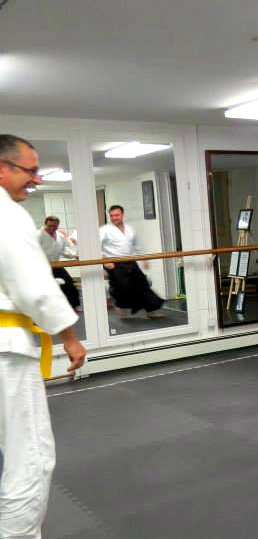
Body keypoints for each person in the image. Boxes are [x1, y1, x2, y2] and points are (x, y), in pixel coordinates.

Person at [0, 134, 87, 539]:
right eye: (30, 170)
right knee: (28, 458)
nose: (36, 179)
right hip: (5, 356)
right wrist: (69, 336)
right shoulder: (8, 214)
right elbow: (34, 286)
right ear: (2, 169)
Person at [99, 205, 164, 318]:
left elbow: (137, 245)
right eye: (112, 216)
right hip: (113, 263)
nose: (114, 218)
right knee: (123, 286)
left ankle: (151, 310)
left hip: (130, 261)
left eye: (117, 215)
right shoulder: (105, 230)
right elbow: (94, 244)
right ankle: (121, 306)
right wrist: (104, 260)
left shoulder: (130, 229)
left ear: (122, 215)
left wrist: (144, 259)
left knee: (143, 284)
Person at [37, 215, 82, 310]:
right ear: (45, 224)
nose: (52, 228)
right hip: (41, 267)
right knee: (44, 288)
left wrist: (75, 255)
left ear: (58, 226)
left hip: (56, 265)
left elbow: (63, 250)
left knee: (68, 283)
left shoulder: (59, 236)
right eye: (50, 226)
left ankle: (73, 305)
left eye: (55, 226)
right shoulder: (38, 235)